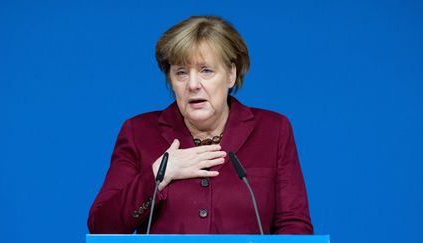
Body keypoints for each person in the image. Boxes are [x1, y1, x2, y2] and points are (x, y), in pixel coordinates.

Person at [88, 15, 313, 234]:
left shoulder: (273, 130)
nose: (193, 84)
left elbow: (293, 226)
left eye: (206, 70)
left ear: (231, 74)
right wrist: (158, 176)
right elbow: (101, 227)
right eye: (181, 73)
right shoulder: (138, 132)